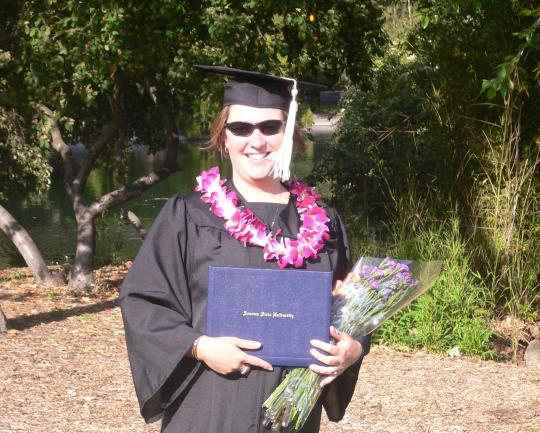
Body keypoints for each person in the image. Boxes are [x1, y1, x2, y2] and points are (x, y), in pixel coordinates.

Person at [119, 66, 370, 433]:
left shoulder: (324, 224)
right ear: (223, 137)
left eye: (270, 127)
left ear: (290, 134)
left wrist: (354, 348)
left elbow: (350, 309)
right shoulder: (188, 217)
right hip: (208, 407)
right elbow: (143, 301)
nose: (256, 140)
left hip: (293, 412)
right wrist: (200, 346)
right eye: (241, 128)